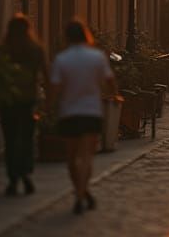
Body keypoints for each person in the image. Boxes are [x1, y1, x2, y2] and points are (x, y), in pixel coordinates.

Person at [48, 19, 117, 215]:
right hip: (91, 112)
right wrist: (114, 94)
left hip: (69, 113)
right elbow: (110, 80)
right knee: (86, 157)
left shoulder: (62, 59)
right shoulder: (96, 57)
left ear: (67, 37)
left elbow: (54, 88)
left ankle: (79, 194)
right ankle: (82, 192)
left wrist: (49, 106)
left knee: (71, 159)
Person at [0, 14, 48, 197]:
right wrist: (50, 100)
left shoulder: (4, 49)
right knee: (27, 138)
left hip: (8, 99)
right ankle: (26, 174)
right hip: (28, 99)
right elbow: (46, 73)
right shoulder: (36, 49)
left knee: (10, 139)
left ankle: (12, 179)